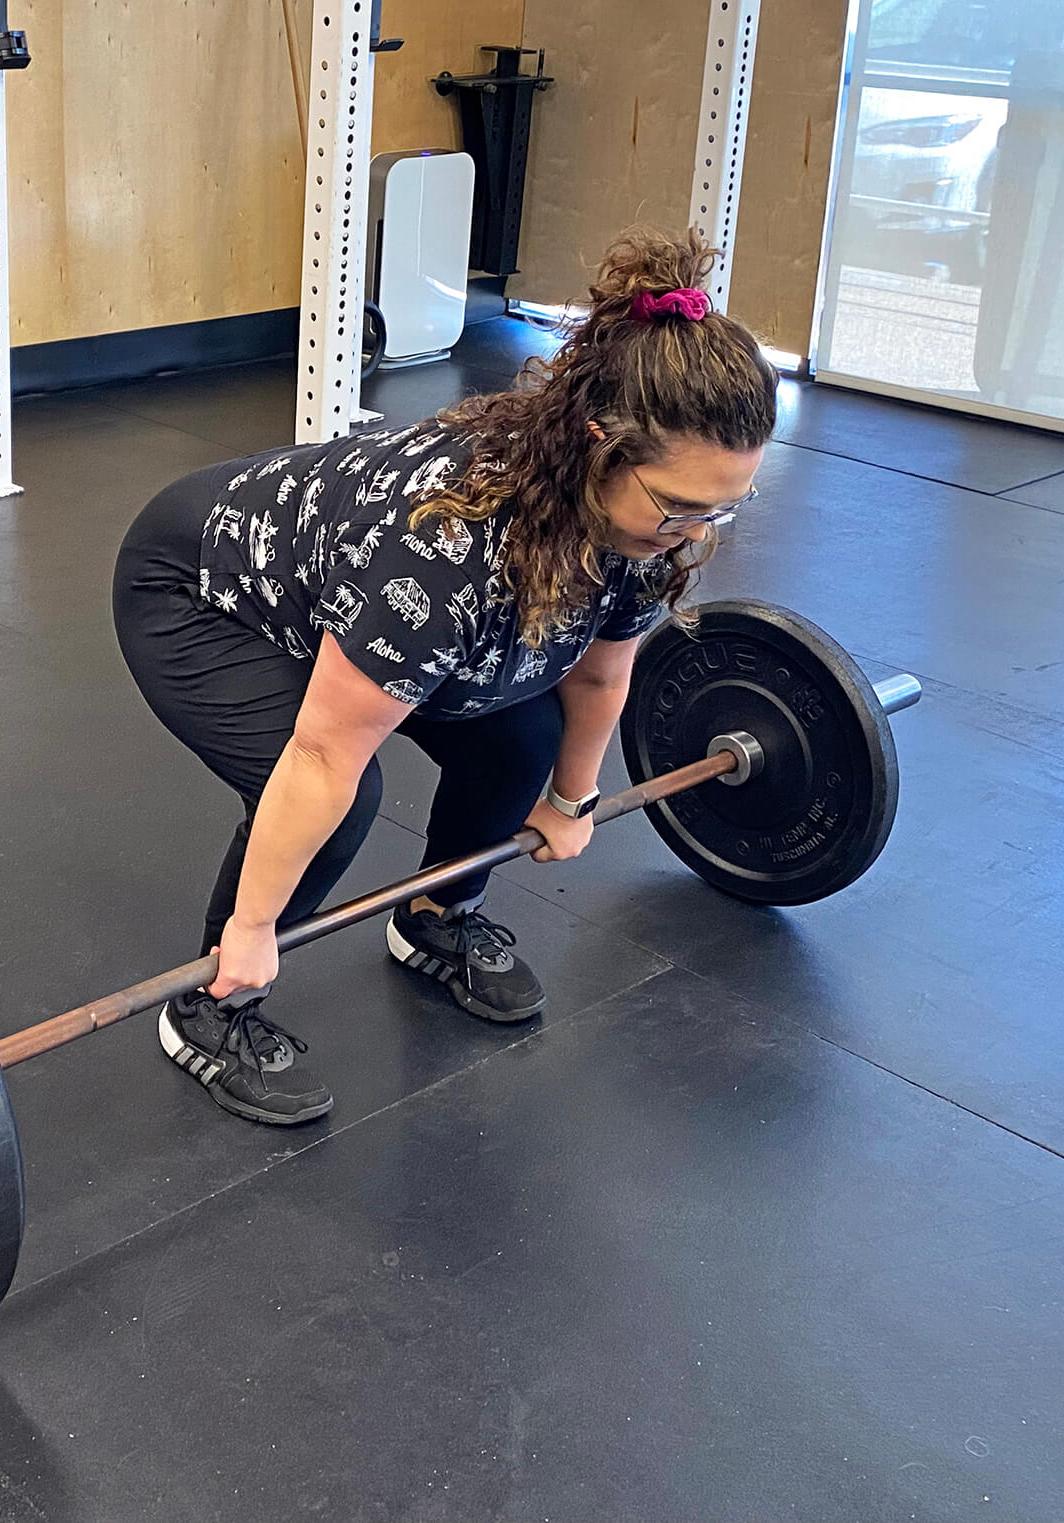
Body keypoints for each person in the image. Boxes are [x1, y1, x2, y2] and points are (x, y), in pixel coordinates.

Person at [111, 227, 778, 1125]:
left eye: (726, 508)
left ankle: (436, 914)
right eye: (682, 507)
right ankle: (208, 1006)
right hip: (199, 591)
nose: (699, 532)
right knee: (341, 799)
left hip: (343, 589)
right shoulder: (446, 546)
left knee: (525, 737)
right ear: (596, 445)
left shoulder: (650, 528)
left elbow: (597, 675)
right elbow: (319, 754)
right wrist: (254, 928)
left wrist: (572, 798)